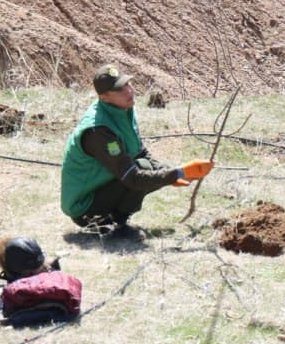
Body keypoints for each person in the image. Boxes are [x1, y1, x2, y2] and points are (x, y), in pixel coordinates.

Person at [60, 66, 212, 235]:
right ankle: (109, 223)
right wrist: (177, 174)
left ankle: (116, 219)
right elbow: (132, 178)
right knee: (143, 170)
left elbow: (141, 153)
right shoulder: (99, 130)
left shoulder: (122, 110)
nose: (128, 90)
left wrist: (172, 171)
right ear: (104, 97)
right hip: (85, 207)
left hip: (104, 186)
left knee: (146, 165)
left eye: (128, 84)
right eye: (119, 89)